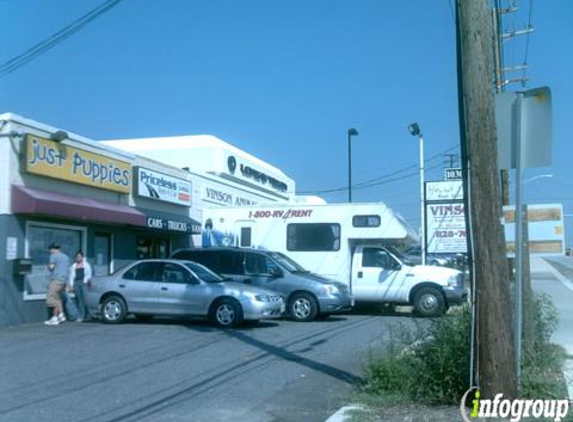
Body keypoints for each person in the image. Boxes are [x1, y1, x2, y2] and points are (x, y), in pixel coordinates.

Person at [44, 243, 71, 326]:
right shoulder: (66, 257)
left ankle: (56, 318)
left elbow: (51, 267)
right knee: (57, 298)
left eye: (50, 249)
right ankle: (60, 315)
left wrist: (48, 266)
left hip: (56, 279)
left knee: (51, 297)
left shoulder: (53, 256)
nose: (50, 251)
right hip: (64, 281)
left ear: (53, 249)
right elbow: (68, 270)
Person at [67, 251, 92, 322]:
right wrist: (71, 285)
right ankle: (82, 315)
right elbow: (71, 276)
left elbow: (89, 274)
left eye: (79, 256)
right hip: (76, 283)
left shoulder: (86, 265)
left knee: (85, 299)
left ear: (82, 257)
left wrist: (86, 281)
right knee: (80, 300)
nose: (78, 258)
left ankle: (89, 314)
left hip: (83, 283)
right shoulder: (73, 266)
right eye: (77, 257)